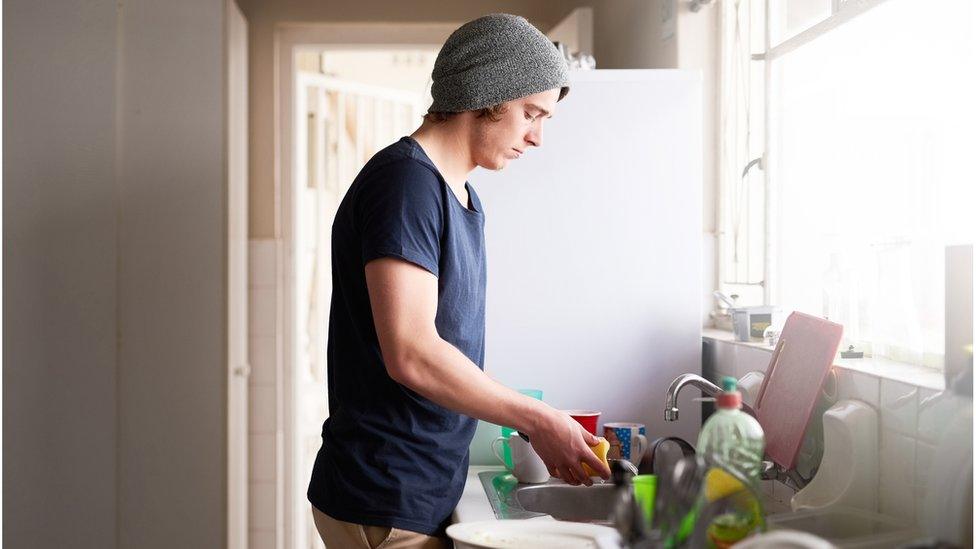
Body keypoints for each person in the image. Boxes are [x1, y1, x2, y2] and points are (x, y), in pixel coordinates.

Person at [307, 13, 611, 549]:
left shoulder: (458, 194)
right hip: (386, 490)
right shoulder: (406, 184)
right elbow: (412, 353)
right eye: (530, 113)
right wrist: (538, 419)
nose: (537, 137)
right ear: (487, 93)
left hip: (418, 486)